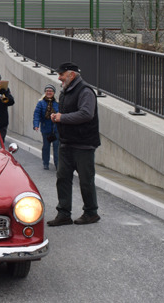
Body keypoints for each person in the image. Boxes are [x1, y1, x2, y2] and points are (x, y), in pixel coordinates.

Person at [47, 62, 101, 227]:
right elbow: (69, 113)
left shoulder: (85, 91)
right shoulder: (65, 91)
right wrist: (57, 117)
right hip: (66, 143)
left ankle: (91, 213)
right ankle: (63, 214)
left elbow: (86, 114)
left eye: (61, 74)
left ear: (71, 74)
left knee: (85, 180)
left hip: (83, 144)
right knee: (62, 178)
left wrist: (61, 117)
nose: (59, 77)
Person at [33, 84, 60, 170]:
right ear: (45, 92)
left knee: (57, 148)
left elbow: (61, 114)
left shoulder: (57, 103)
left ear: (54, 93)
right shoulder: (40, 103)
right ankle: (45, 163)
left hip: (56, 129)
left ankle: (57, 164)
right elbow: (36, 114)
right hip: (46, 129)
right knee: (46, 147)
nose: (49, 92)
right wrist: (36, 125)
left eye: (51, 91)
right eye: (47, 91)